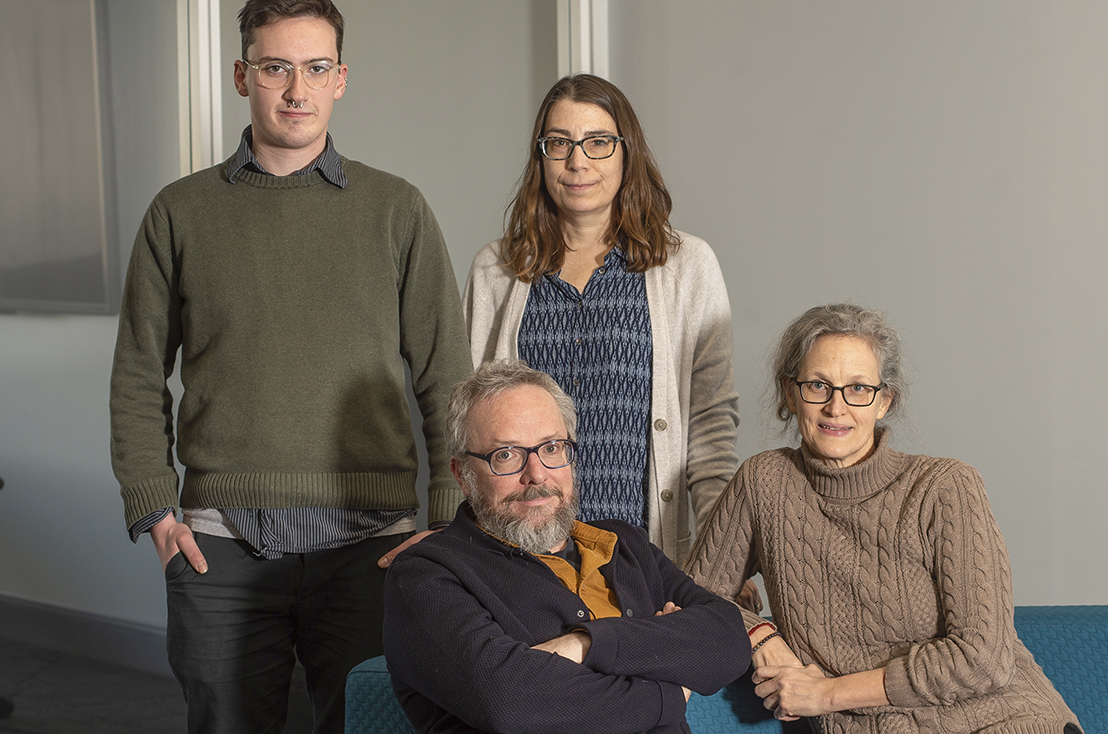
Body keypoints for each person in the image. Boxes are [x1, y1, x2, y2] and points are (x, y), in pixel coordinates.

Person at [107, 1, 470, 731]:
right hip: (220, 547)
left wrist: (446, 520)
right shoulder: (179, 213)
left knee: (373, 724)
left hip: (374, 546)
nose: (296, 89)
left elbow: (447, 380)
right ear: (244, 76)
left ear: (341, 79)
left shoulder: (397, 209)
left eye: (315, 68)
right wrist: (155, 508)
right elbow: (139, 373)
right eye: (276, 68)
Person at [685, 304, 1082, 734]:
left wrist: (826, 694)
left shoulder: (946, 487)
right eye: (818, 385)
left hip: (1004, 720)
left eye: (858, 389)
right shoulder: (765, 483)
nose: (837, 407)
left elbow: (982, 659)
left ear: (885, 401)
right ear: (789, 392)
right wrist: (760, 634)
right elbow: (688, 596)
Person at [382, 361, 751, 734]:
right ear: (462, 473)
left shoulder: (625, 544)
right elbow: (509, 701)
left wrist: (585, 644)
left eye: (552, 447)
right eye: (506, 454)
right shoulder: (425, 575)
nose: (537, 474)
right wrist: (669, 686)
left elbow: (728, 638)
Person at [462, 74, 739, 568]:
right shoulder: (496, 270)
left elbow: (711, 427)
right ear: (540, 156)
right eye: (560, 144)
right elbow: (471, 430)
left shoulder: (688, 266)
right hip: (523, 553)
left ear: (626, 152)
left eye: (598, 142)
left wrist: (722, 559)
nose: (578, 161)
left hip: (642, 551)